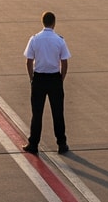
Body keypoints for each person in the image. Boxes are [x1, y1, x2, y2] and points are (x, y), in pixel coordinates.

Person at [22, 11, 70, 155]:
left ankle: (33, 143)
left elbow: (29, 61)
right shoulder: (59, 40)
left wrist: (32, 78)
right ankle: (61, 144)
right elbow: (64, 62)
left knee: (37, 114)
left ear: (42, 22)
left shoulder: (35, 39)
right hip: (54, 78)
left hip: (39, 79)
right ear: (54, 23)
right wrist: (61, 78)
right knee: (58, 113)